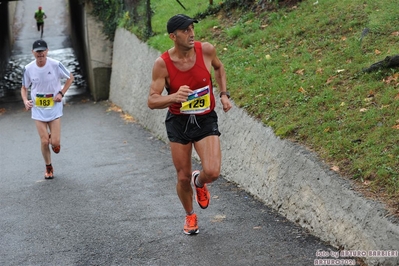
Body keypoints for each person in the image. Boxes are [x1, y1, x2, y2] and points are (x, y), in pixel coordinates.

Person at [147, 14, 232, 235]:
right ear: (173, 36)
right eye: (185, 30)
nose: (191, 33)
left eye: (192, 28)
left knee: (212, 172)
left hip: (205, 118)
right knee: (182, 177)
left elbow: (219, 68)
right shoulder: (162, 64)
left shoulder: (206, 50)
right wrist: (173, 97)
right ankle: (190, 215)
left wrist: (224, 94)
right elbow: (152, 100)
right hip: (179, 122)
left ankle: (200, 181)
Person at [20, 40, 74, 179]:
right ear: (33, 52)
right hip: (38, 108)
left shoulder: (55, 65)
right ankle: (48, 167)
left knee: (55, 145)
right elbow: (24, 87)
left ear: (47, 51)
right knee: (44, 141)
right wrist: (25, 100)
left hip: (54, 107)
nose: (40, 54)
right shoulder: (28, 68)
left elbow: (70, 78)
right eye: (38, 51)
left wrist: (61, 93)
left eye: (43, 51)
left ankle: (53, 139)